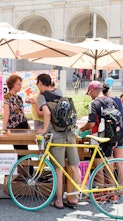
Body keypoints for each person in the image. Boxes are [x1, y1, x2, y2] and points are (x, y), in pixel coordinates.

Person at [36, 73, 81, 209]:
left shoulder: (41, 96)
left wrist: (44, 129)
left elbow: (47, 113)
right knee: (74, 166)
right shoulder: (59, 93)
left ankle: (59, 201)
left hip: (56, 135)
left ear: (40, 83)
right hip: (70, 133)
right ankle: (74, 197)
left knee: (58, 169)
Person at [79, 81, 123, 202]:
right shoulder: (112, 101)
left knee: (98, 166)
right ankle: (112, 194)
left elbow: (91, 123)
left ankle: (100, 194)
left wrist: (82, 129)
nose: (90, 96)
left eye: (89, 93)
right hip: (111, 137)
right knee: (109, 165)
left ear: (93, 91)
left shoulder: (94, 103)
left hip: (98, 137)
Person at [102, 83, 123, 197]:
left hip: (111, 134)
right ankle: (122, 189)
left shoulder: (107, 101)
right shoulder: (117, 100)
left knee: (109, 160)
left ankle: (111, 189)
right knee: (119, 161)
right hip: (121, 133)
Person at [2, 74, 29, 150]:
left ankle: (26, 161)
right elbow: (6, 113)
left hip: (23, 125)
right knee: (19, 148)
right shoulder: (7, 97)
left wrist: (28, 126)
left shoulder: (19, 98)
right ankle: (23, 161)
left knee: (25, 148)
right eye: (18, 84)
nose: (20, 86)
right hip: (14, 126)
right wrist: (3, 129)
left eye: (20, 84)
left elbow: (22, 113)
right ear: (12, 84)